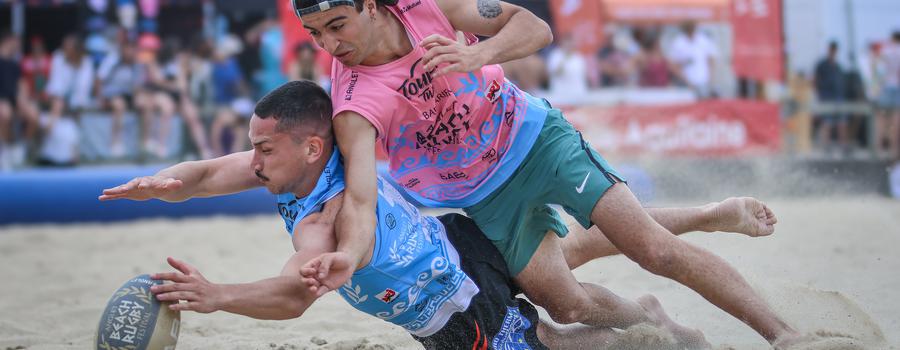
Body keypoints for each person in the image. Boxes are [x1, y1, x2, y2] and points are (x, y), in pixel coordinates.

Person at [290, 0, 806, 347]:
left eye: (338, 25)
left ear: (372, 5)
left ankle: (786, 336)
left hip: (537, 141)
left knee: (653, 250)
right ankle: (654, 320)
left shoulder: (426, 8)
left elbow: (534, 27)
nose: (330, 45)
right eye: (316, 33)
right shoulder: (354, 103)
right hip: (484, 195)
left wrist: (478, 54)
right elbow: (360, 199)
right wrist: (349, 254)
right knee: (566, 302)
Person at [102, 81, 725, 349]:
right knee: (576, 253)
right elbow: (211, 173)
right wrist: (165, 185)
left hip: (453, 304)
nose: (254, 160)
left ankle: (648, 330)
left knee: (552, 339)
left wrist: (217, 295)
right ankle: (698, 220)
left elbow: (294, 295)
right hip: (453, 239)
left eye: (264, 147)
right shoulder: (297, 162)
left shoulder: (325, 215)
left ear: (308, 146)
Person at [813, 41, 850, 155]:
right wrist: (819, 95)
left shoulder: (838, 66)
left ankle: (843, 145)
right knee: (827, 122)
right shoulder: (822, 65)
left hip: (838, 97)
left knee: (841, 122)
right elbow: (815, 80)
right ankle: (826, 146)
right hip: (826, 96)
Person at [668, 21, 718, 98]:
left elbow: (711, 59)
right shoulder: (678, 43)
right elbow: (673, 65)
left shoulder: (703, 40)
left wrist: (710, 78)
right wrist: (685, 80)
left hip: (703, 80)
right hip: (686, 83)